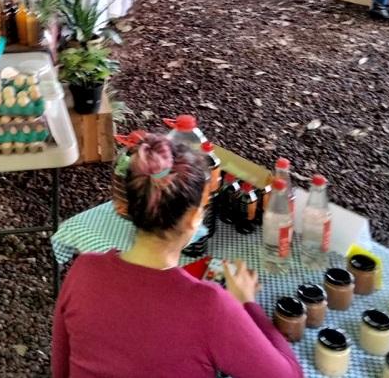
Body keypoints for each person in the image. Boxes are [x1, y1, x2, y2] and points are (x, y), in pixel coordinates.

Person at [52, 134, 303, 378]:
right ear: (194, 219)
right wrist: (248, 304)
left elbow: (61, 363)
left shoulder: (84, 268)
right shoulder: (209, 305)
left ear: (126, 208)